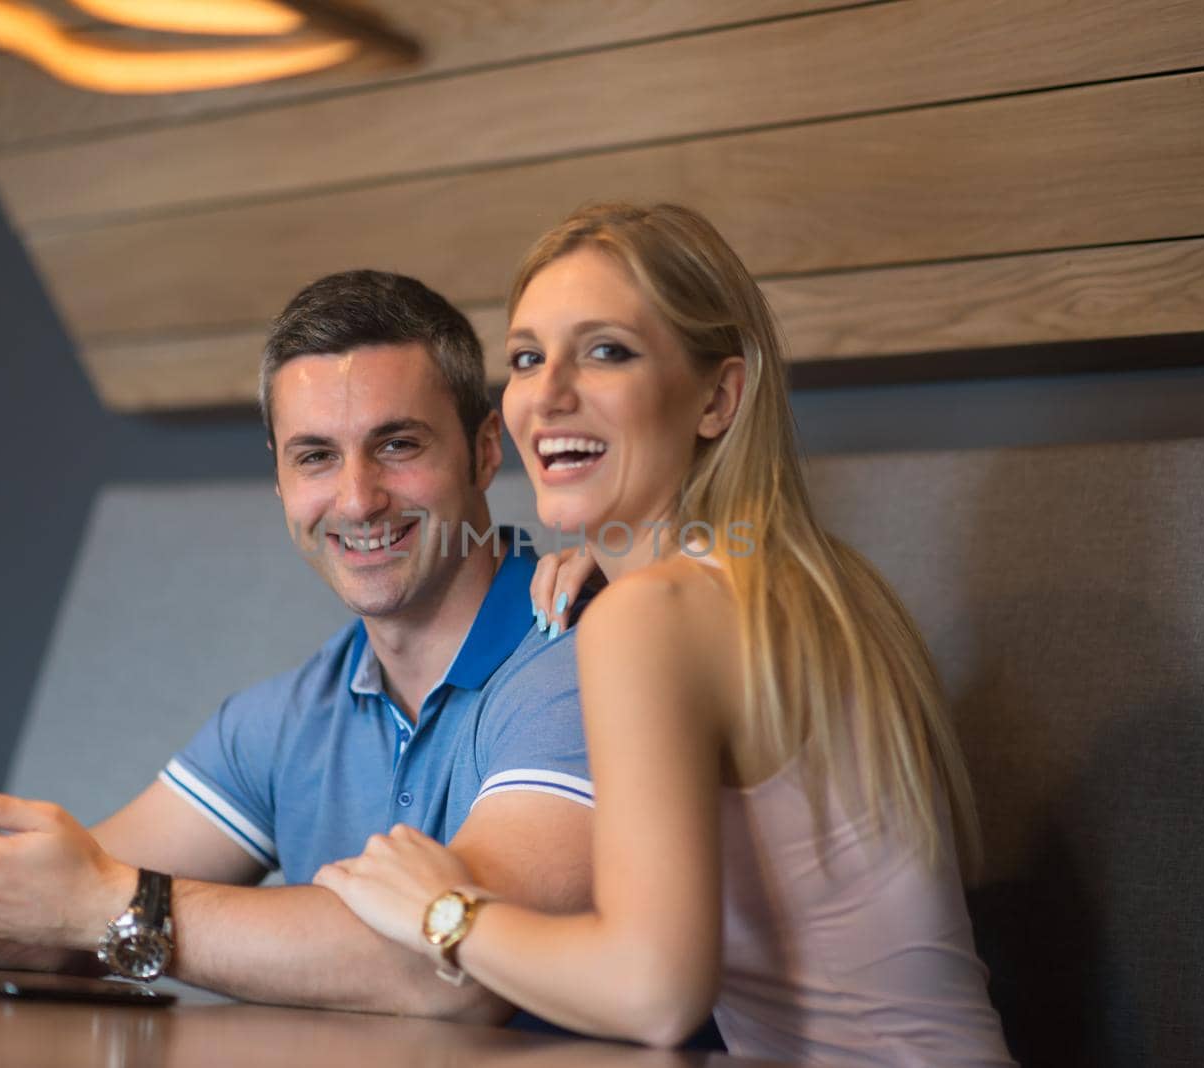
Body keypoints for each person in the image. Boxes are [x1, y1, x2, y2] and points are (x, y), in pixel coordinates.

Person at [315, 204, 1016, 1063]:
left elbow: (652, 994)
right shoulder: (813, 583)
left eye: (607, 351)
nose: (549, 394)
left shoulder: (655, 619)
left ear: (718, 398)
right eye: (529, 357)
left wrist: (440, 912)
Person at [0, 270, 595, 1021]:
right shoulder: (291, 714)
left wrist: (112, 901)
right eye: (316, 455)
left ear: (486, 449)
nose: (358, 499)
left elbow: (451, 971)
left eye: (397, 444)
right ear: (281, 480)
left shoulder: (580, 661)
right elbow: (45, 931)